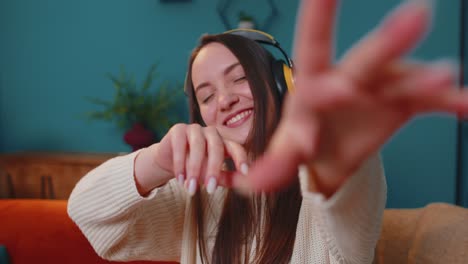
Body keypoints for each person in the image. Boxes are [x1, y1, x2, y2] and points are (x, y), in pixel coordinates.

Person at [68, 0, 468, 263]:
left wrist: (331, 148)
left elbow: (346, 198)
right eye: (206, 96)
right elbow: (86, 214)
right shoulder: (195, 193)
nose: (223, 101)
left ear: (284, 82)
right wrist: (157, 160)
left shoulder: (326, 195)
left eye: (240, 78)